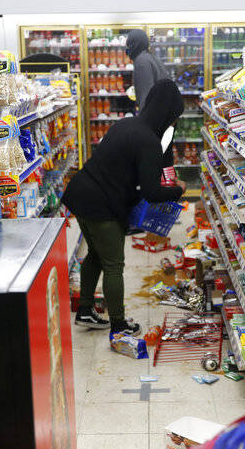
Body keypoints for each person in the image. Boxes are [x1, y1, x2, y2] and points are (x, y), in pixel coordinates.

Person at [62, 79, 186, 335]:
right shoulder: (149, 141)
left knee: (96, 255)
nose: (173, 124)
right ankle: (118, 324)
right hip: (101, 204)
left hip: (81, 193)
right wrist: (178, 189)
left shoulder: (127, 123)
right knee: (113, 264)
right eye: (174, 118)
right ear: (167, 115)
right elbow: (151, 192)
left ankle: (85, 310)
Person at [125, 30, 168, 111]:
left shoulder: (141, 61)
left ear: (134, 45)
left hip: (153, 114)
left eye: (129, 45)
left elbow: (146, 95)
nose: (127, 50)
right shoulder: (150, 57)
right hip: (162, 110)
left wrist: (144, 119)